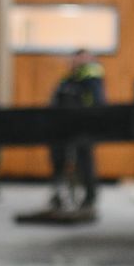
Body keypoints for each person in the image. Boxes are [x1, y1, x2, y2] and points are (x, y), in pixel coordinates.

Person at [50, 49, 106, 211]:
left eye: (80, 58)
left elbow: (98, 101)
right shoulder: (69, 78)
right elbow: (56, 99)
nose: (76, 61)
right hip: (65, 124)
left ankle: (89, 196)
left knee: (84, 160)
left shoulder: (91, 77)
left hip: (83, 125)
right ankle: (60, 193)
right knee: (60, 157)